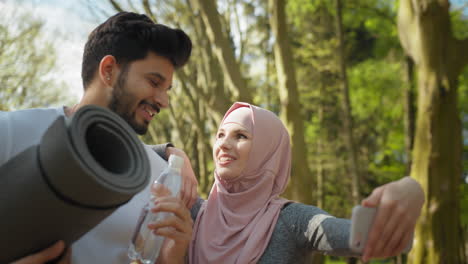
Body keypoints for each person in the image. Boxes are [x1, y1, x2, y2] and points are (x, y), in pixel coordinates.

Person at [0, 12, 197, 264]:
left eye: (167, 89)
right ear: (108, 71)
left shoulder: (160, 177)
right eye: (153, 82)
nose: (164, 101)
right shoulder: (9, 132)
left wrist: (171, 259)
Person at [186, 102, 425, 263]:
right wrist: (174, 153)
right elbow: (146, 155)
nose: (224, 144)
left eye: (241, 136)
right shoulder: (193, 212)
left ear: (267, 151)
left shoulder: (291, 220)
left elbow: (365, 237)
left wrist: (413, 188)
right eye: (220, 134)